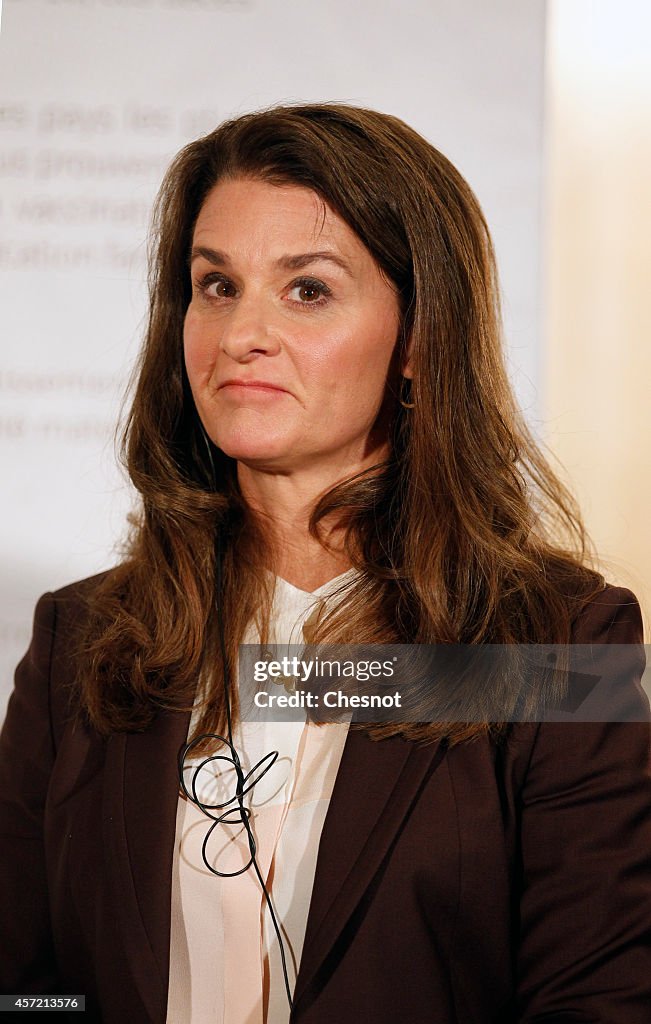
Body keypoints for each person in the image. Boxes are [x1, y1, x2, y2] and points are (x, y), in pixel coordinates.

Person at [1, 103, 649, 1024]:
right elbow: (30, 987)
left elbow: (597, 998)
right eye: (215, 285)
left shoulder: (553, 644)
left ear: (421, 338)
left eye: (306, 290)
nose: (240, 335)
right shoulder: (83, 641)